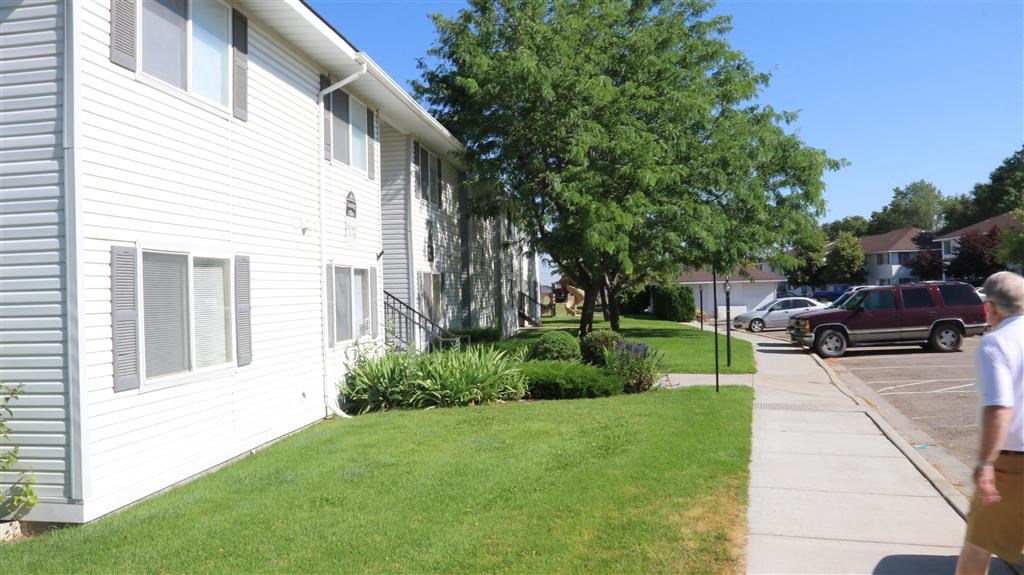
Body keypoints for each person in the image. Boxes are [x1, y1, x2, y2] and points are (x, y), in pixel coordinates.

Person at [956, 271, 1024, 575]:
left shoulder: (996, 343)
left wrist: (985, 464)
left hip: (1011, 466)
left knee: (977, 547)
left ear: (991, 307)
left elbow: (999, 408)